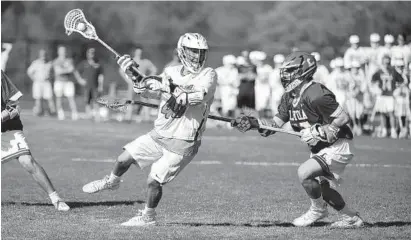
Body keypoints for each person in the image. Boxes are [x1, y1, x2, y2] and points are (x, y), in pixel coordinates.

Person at [82, 33, 217, 226]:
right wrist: (133, 75)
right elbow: (148, 91)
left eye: (200, 52)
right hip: (159, 133)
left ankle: (148, 217)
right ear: (182, 51)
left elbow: (195, 96)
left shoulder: (209, 74)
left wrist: (165, 86)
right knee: (123, 159)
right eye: (193, 51)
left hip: (183, 141)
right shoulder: (171, 71)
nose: (197, 56)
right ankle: (112, 181)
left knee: (154, 180)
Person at [231, 51, 363, 228]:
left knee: (304, 172)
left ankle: (317, 210)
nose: (285, 75)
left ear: (304, 70)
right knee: (323, 190)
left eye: (291, 70)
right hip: (320, 149)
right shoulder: (289, 96)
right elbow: (275, 124)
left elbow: (343, 117)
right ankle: (352, 218)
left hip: (338, 144)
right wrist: (254, 123)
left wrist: (323, 130)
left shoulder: (316, 93)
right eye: (285, 71)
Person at [1, 70, 70, 211]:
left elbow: (15, 106)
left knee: (27, 161)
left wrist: (3, 116)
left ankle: (55, 199)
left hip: (9, 129)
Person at [118, 46, 157, 122]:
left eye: (140, 52)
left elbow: (154, 69)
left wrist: (148, 78)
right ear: (135, 52)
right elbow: (121, 71)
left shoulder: (145, 62)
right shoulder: (130, 62)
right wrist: (128, 81)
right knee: (130, 101)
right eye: (138, 52)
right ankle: (128, 118)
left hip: (142, 84)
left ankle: (147, 118)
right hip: (132, 84)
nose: (139, 54)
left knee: (145, 102)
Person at [370, 54, 404, 138]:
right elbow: (372, 80)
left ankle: (393, 130)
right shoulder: (379, 71)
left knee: (391, 113)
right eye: (385, 63)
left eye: (388, 63)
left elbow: (401, 81)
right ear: (382, 62)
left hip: (390, 95)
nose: (386, 64)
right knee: (382, 113)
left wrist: (397, 89)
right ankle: (384, 129)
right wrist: (376, 88)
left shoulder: (393, 71)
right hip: (382, 95)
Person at [52, 45, 85, 120]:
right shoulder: (56, 61)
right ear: (58, 52)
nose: (63, 52)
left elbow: (74, 70)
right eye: (61, 50)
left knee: (71, 98)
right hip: (59, 82)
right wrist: (68, 70)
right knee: (59, 98)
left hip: (68, 82)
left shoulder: (69, 60)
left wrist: (79, 79)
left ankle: (74, 113)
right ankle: (60, 113)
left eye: (64, 50)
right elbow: (58, 72)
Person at [75, 47, 104, 121]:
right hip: (86, 87)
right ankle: (89, 116)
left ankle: (97, 117)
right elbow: (76, 71)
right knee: (87, 101)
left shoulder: (98, 65)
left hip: (95, 86)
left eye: (93, 53)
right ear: (87, 54)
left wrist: (101, 86)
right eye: (90, 53)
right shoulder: (84, 63)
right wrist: (80, 80)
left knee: (96, 101)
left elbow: (101, 76)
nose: (92, 55)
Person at [27, 48, 56, 116]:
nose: (43, 55)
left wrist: (51, 77)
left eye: (45, 54)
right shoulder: (35, 63)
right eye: (42, 54)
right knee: (38, 98)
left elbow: (53, 73)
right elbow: (29, 72)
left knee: (49, 97)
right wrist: (34, 79)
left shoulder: (50, 63)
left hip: (47, 83)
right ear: (39, 55)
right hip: (38, 82)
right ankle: (39, 111)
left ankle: (53, 112)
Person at [345, 61, 366, 136]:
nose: (355, 69)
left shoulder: (361, 76)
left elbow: (364, 87)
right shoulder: (348, 76)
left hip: (359, 97)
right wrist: (351, 92)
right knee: (352, 112)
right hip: (351, 97)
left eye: (357, 68)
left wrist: (359, 91)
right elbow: (347, 87)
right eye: (354, 68)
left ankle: (359, 126)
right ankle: (354, 126)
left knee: (359, 113)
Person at [250, 51, 273, 117]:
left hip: (266, 88)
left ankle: (264, 120)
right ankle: (259, 119)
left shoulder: (268, 67)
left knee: (265, 104)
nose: (260, 62)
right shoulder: (255, 68)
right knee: (259, 105)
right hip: (258, 88)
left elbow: (270, 78)